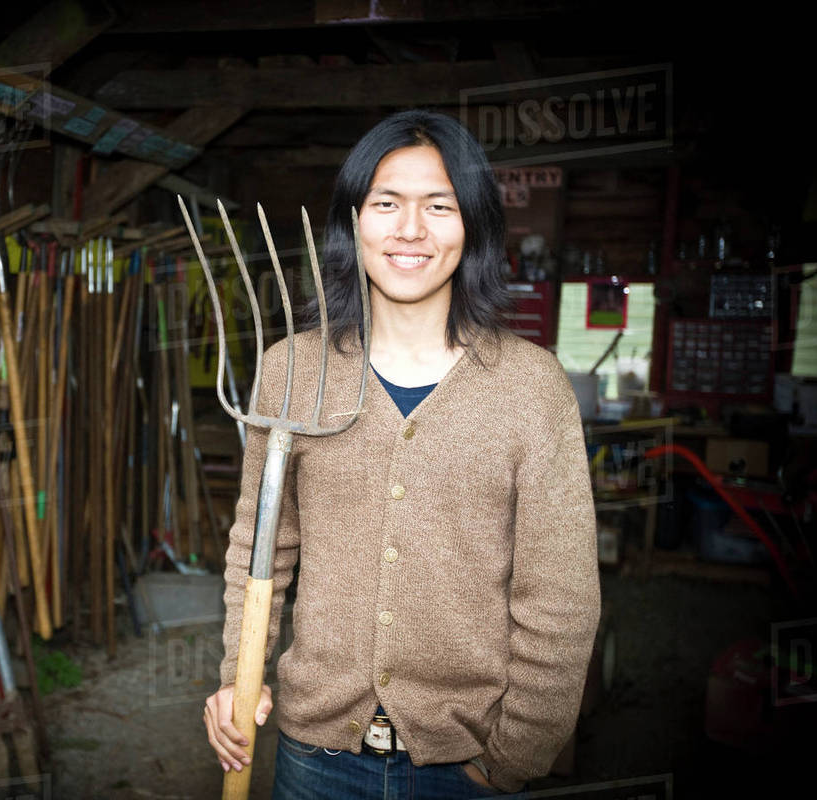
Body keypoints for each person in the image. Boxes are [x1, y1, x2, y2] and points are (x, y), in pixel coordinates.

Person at [203, 109, 600, 799]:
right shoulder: (291, 372)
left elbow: (559, 599)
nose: (410, 230)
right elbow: (260, 546)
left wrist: (514, 757)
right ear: (353, 221)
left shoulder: (531, 389)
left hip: (466, 767)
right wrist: (239, 675)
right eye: (386, 203)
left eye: (438, 206)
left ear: (471, 224)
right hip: (315, 754)